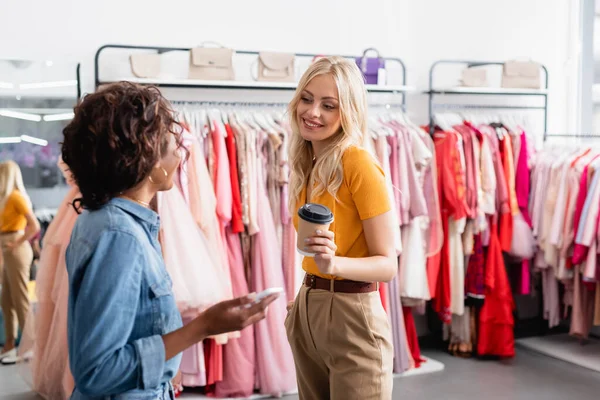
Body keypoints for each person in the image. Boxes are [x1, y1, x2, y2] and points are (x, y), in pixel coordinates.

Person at [60, 82, 278, 399]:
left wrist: (168, 368)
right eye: (171, 143)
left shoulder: (109, 221)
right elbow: (97, 371)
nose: (180, 153)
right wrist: (202, 326)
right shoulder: (120, 236)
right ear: (146, 157)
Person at [285, 56, 398, 400]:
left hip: (353, 314)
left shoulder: (358, 164)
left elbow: (387, 264)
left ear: (347, 111)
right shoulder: (307, 163)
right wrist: (303, 306)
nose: (313, 112)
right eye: (306, 99)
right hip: (309, 307)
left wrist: (334, 266)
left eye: (328, 105)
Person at [0, 160, 40, 365]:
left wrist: (16, 243)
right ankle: (10, 344)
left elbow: (34, 226)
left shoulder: (16, 197)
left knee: (20, 298)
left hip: (15, 248)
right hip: (6, 247)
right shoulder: (4, 199)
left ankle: (30, 345)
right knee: (6, 299)